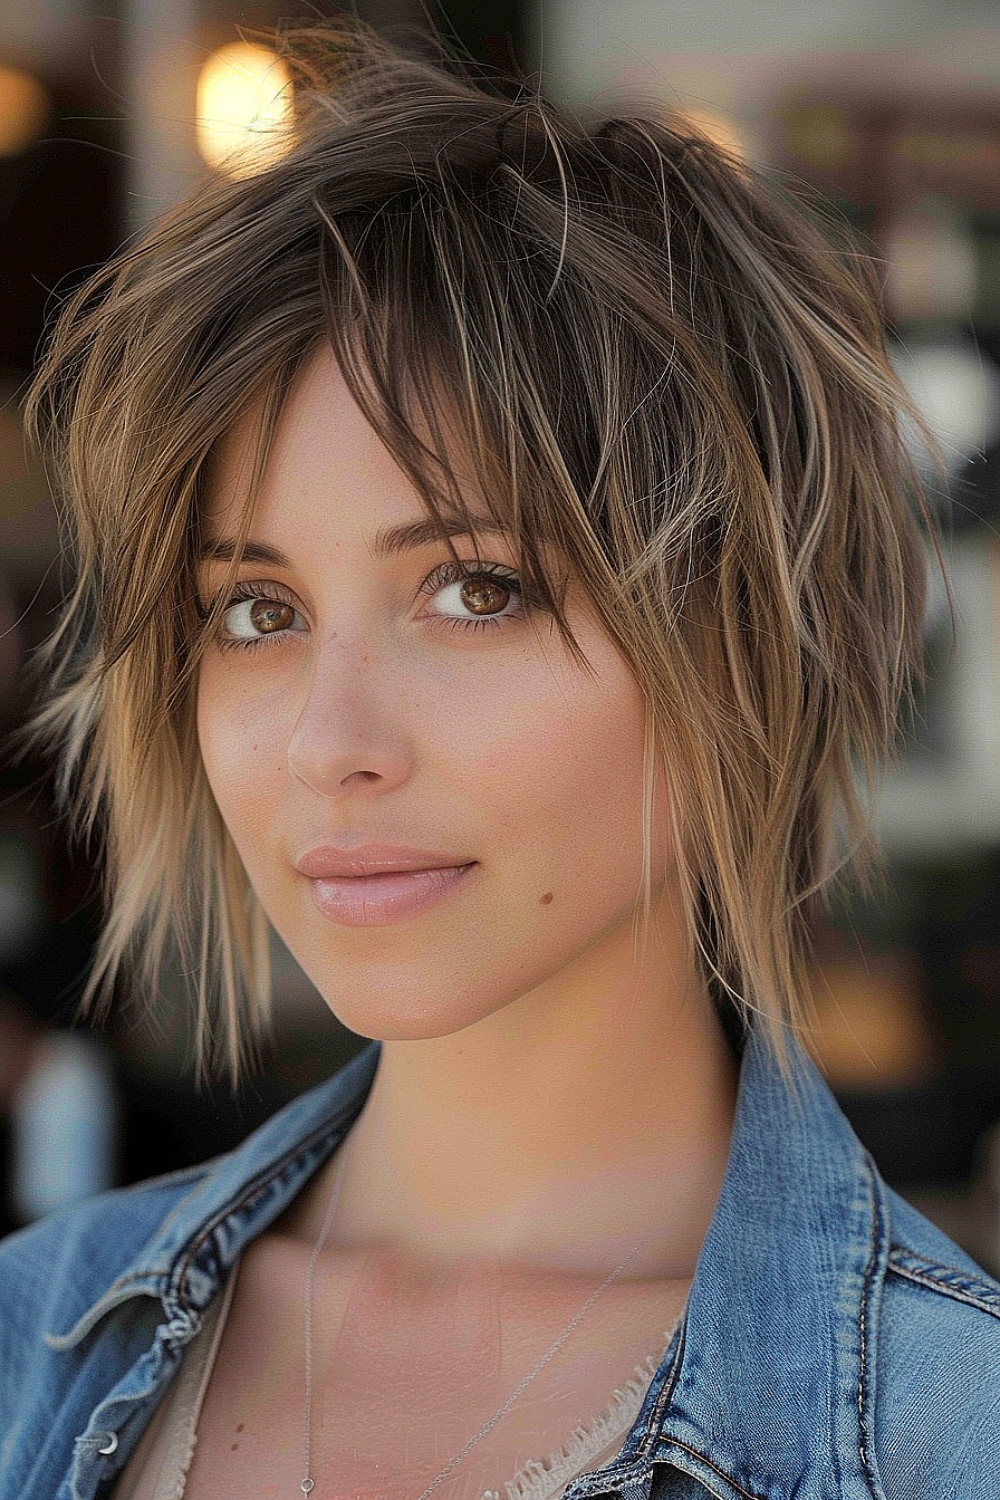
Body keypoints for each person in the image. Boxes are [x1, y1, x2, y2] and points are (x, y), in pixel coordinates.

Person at [2, 19, 998, 1500]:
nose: (332, 745)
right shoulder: (35, 1336)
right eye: (257, 610)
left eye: (479, 590)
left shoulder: (945, 1432)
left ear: (747, 637)